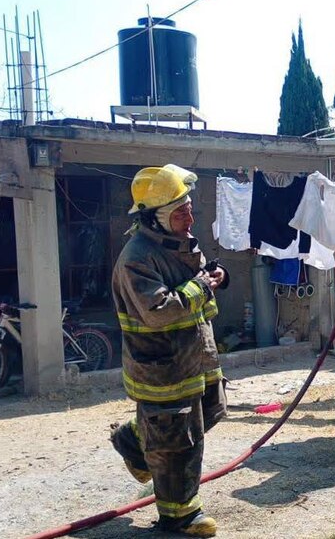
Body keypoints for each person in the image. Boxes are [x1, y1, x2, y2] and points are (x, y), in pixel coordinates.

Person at [109, 164, 230, 537]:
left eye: (190, 207)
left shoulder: (178, 240)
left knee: (211, 412)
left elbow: (200, 273)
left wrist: (217, 273)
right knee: (180, 440)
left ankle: (134, 438)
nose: (190, 217)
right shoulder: (137, 258)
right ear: (156, 218)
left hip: (197, 358)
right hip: (162, 368)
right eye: (181, 212)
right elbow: (159, 312)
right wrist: (201, 286)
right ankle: (179, 516)